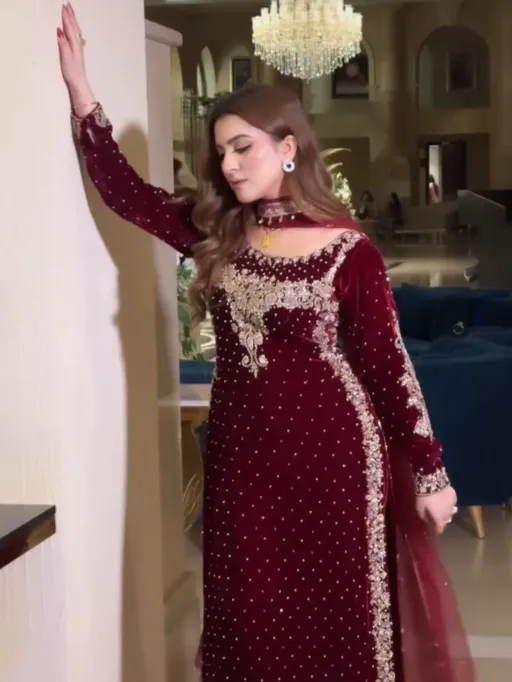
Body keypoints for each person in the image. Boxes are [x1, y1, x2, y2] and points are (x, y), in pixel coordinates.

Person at [57, 5, 475, 682]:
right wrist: (82, 94)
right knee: (249, 620)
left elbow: (388, 368)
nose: (227, 164)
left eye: (242, 147)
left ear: (288, 148)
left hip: (337, 462)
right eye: (220, 151)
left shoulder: (349, 252)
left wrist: (431, 474)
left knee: (338, 625)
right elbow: (126, 194)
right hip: (242, 460)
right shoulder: (216, 232)